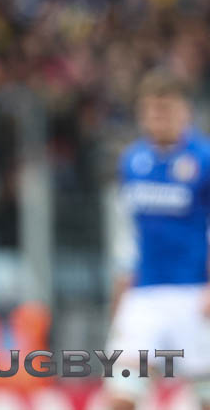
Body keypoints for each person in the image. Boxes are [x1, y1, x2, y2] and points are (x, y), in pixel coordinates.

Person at [106, 69, 210, 410]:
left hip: (194, 291)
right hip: (145, 293)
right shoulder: (132, 161)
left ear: (184, 111)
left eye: (165, 109)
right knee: (121, 393)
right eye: (151, 110)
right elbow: (128, 231)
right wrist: (122, 283)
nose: (157, 118)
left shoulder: (203, 159)